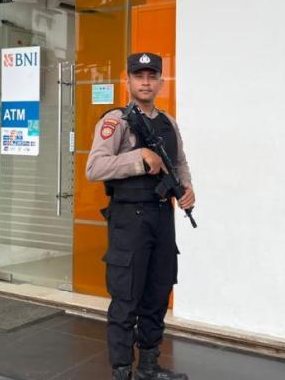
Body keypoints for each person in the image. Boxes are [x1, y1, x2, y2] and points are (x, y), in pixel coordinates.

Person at [86, 52, 195, 380]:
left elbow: (179, 162)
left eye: (152, 76)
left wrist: (187, 187)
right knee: (126, 298)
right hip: (129, 219)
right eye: (139, 76)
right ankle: (122, 371)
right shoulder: (116, 121)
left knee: (158, 292)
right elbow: (94, 167)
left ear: (160, 82)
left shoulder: (168, 122)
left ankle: (148, 366)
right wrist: (139, 157)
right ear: (128, 80)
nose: (145, 82)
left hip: (162, 217)